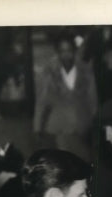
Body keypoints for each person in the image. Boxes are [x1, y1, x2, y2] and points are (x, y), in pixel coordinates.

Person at [34, 30, 99, 161]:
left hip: (81, 127)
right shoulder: (49, 71)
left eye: (69, 50)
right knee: (62, 164)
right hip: (57, 128)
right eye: (62, 51)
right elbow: (42, 101)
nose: (66, 55)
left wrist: (96, 123)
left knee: (82, 161)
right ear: (57, 52)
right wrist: (37, 128)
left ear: (74, 50)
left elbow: (92, 99)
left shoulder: (85, 70)